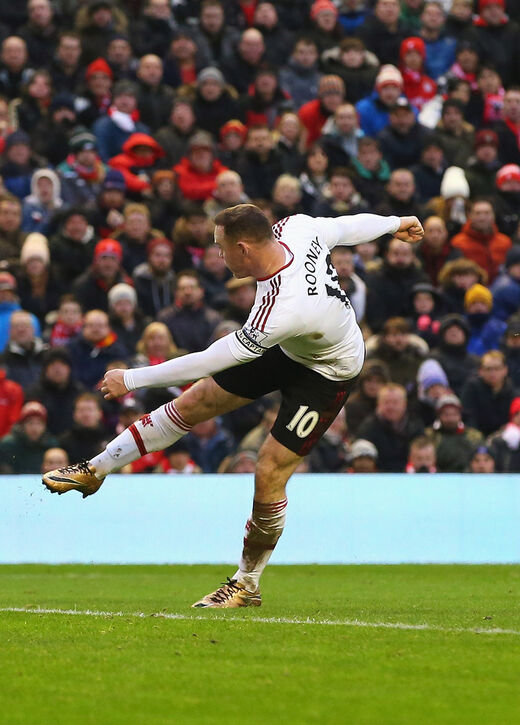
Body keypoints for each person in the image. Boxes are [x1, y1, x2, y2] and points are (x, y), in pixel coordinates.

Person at [44, 205, 426, 608]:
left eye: (221, 248)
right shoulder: (295, 228)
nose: (218, 256)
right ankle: (94, 469)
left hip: (328, 371)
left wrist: (133, 378)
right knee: (197, 401)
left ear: (243, 249)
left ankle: (246, 583)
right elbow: (347, 226)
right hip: (294, 346)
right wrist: (396, 223)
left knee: (269, 469)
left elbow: (210, 359)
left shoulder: (282, 309)